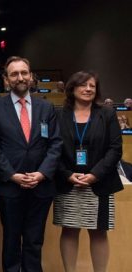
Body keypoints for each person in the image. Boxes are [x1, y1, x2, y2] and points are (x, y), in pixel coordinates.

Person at [0, 56, 62, 272]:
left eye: (24, 73)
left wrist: (42, 174)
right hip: (10, 186)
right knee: (11, 239)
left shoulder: (46, 108)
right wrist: (11, 175)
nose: (20, 77)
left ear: (31, 76)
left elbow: (55, 144)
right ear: (6, 79)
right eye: (14, 74)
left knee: (34, 239)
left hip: (41, 186)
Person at [54, 71, 123, 272]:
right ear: (72, 88)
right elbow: (52, 148)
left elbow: (115, 148)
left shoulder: (107, 113)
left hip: (99, 183)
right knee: (69, 229)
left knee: (99, 231)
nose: (88, 89)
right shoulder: (59, 114)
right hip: (68, 182)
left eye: (92, 86)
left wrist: (95, 174)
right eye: (83, 85)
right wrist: (66, 174)